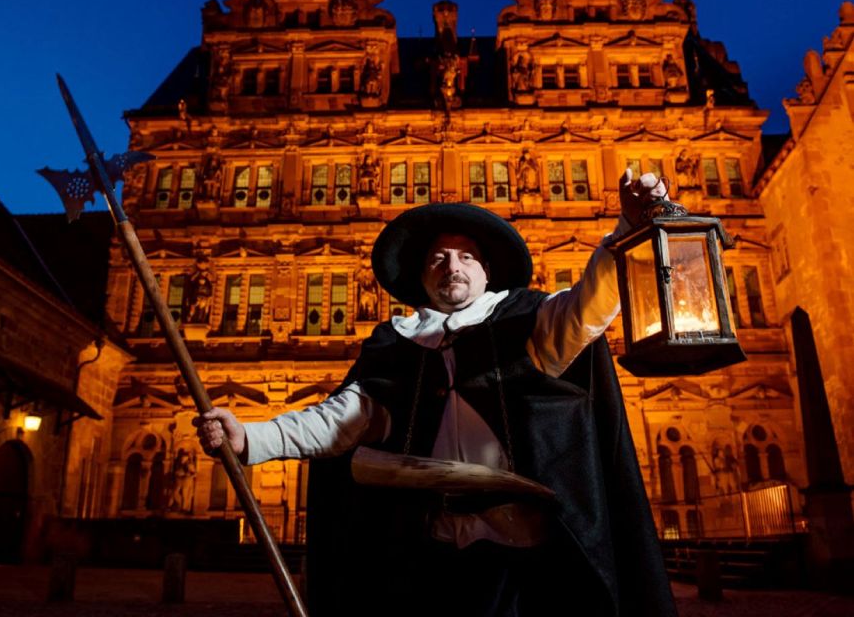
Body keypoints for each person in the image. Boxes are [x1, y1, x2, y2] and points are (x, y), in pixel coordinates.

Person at [195, 171, 678, 617]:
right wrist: (250, 438)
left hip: (527, 550)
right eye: (439, 258)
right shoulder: (397, 345)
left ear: (488, 272)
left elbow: (589, 304)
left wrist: (626, 231)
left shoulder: (529, 323)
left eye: (467, 256)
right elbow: (338, 420)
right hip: (431, 551)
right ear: (421, 278)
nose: (453, 266)